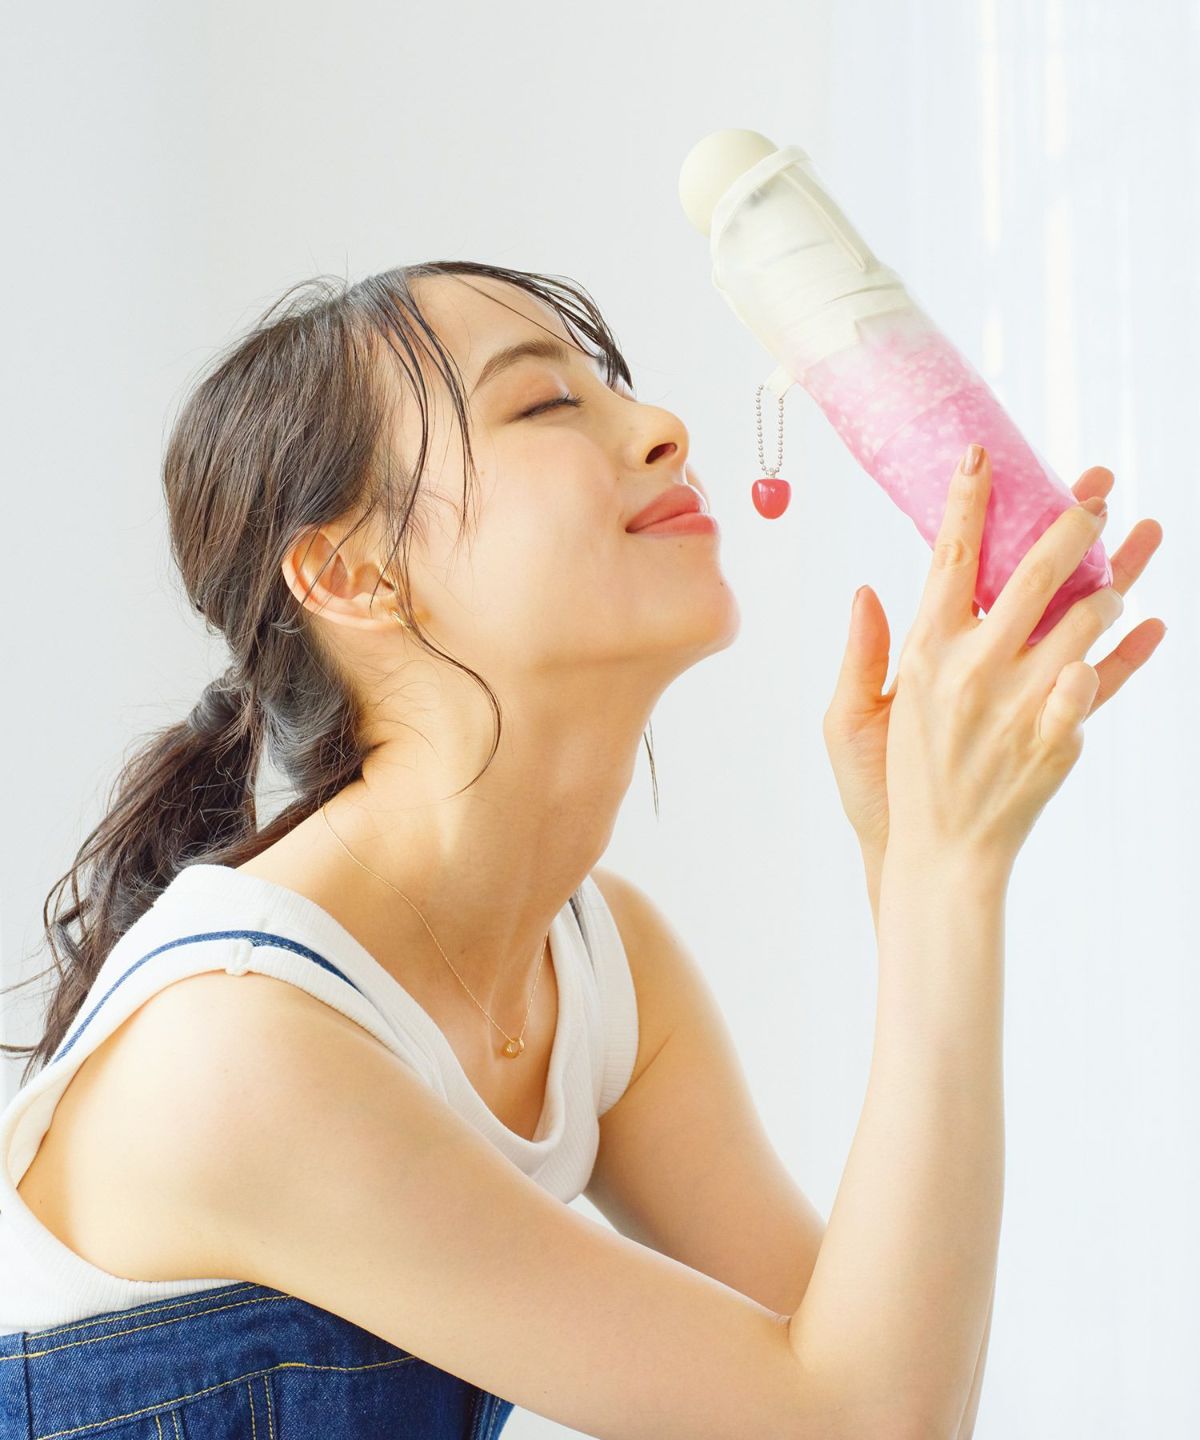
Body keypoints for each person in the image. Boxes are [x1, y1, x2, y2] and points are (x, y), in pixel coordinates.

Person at [0, 261, 1165, 1440]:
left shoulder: (598, 965)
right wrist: (941, 882)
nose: (665, 429)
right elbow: (861, 1425)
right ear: (351, 574)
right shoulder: (240, 1046)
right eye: (545, 402)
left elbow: (885, 1382)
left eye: (615, 388)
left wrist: (918, 857)